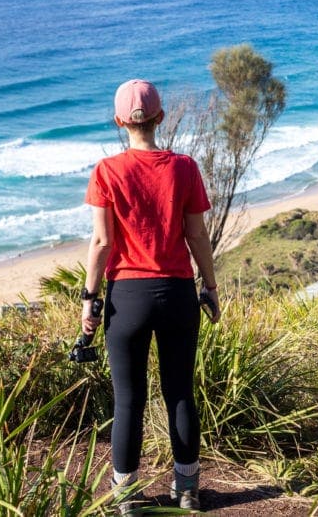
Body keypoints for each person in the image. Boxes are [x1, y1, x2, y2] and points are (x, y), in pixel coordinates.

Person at [81, 79, 221, 512]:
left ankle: (128, 497)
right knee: (180, 392)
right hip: (177, 292)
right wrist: (210, 287)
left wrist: (89, 297)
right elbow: (197, 235)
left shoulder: (107, 171)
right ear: (160, 117)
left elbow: (102, 243)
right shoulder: (184, 167)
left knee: (129, 399)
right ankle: (187, 491)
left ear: (120, 121)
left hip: (128, 298)